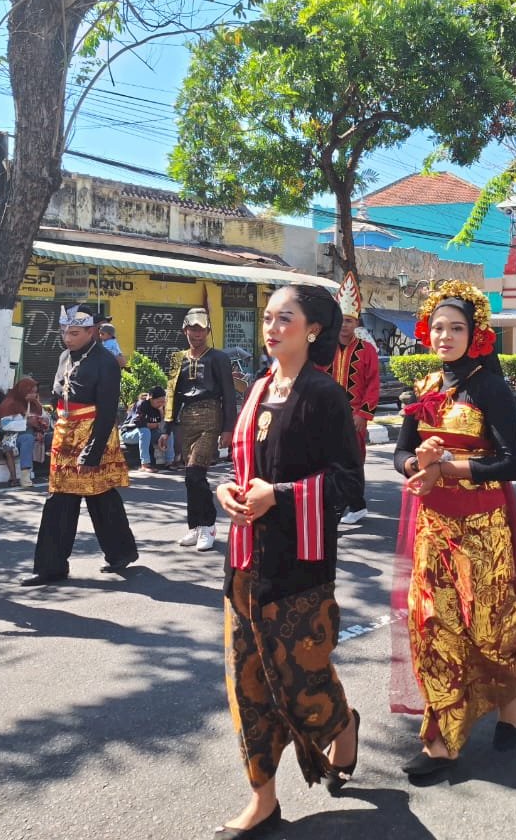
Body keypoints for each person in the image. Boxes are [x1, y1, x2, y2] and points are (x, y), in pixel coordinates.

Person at [213, 284, 363, 838]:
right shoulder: (256, 389)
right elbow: (243, 469)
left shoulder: (325, 396)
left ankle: (342, 723)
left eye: (286, 319)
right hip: (245, 561)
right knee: (248, 684)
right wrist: (228, 494)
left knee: (302, 681)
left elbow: (349, 483)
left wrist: (278, 495)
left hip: (300, 568)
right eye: (269, 318)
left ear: (314, 329)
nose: (272, 328)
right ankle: (264, 798)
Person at [391, 280, 516, 780]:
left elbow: (512, 463)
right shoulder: (426, 387)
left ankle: (511, 706)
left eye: (456, 328)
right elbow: (399, 453)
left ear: (474, 334)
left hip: (483, 529)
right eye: (438, 328)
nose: (445, 336)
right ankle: (442, 740)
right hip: (434, 527)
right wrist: (415, 463)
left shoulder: (491, 387)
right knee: (433, 626)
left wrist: (447, 468)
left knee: (490, 630)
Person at [22, 304, 138, 586]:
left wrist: (93, 451)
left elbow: (108, 411)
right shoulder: (64, 356)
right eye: (64, 332)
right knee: (59, 499)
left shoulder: (106, 362)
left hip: (93, 433)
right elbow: (58, 393)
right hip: (64, 433)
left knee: (101, 496)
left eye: (74, 333)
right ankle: (51, 566)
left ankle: (120, 552)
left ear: (92, 331)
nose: (67, 338)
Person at [164, 307, 236, 551]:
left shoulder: (218, 358)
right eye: (192, 329)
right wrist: (166, 427)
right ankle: (194, 526)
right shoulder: (177, 359)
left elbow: (228, 393)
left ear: (208, 330)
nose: (196, 334)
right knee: (190, 477)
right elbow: (171, 394)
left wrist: (229, 429)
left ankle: (208, 525)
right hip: (187, 418)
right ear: (185, 330)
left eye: (201, 329)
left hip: (211, 414)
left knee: (196, 472)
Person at [327, 272, 379, 525]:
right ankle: (342, 504)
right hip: (327, 417)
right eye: (341, 320)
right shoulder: (324, 349)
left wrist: (363, 414)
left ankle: (355, 504)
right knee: (329, 461)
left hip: (354, 416)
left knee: (351, 462)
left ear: (356, 322)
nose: (345, 325)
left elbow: (372, 384)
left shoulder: (366, 350)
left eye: (349, 320)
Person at [0, 376, 49, 486]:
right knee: (27, 438)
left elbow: (45, 419)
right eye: (30, 392)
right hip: (14, 437)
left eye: (35, 393)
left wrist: (40, 428)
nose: (33, 395)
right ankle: (25, 476)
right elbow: (4, 425)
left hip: (32, 433)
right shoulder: (10, 403)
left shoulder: (34, 404)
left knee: (52, 438)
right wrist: (26, 423)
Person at [123, 385, 169, 474]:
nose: (161, 404)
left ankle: (170, 462)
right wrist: (155, 425)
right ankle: (145, 464)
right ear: (151, 399)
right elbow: (139, 423)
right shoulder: (142, 404)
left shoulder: (160, 407)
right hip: (129, 434)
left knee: (167, 434)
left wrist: (161, 412)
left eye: (163, 402)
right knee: (145, 430)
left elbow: (163, 426)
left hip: (147, 434)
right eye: (158, 401)